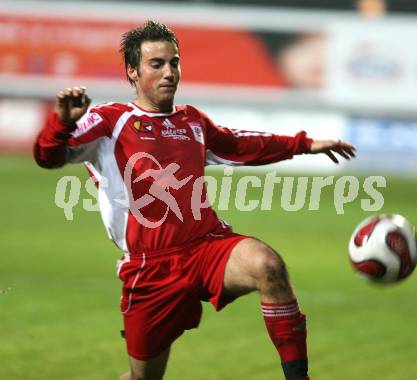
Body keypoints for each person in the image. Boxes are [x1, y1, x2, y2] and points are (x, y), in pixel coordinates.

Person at [34, 20, 356, 380]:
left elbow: (240, 144)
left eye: (174, 62)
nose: (169, 72)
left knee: (268, 266)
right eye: (157, 64)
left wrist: (303, 144)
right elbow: (49, 156)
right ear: (132, 72)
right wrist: (61, 123)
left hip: (206, 248)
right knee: (143, 378)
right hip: (151, 270)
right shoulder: (110, 121)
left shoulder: (192, 121)